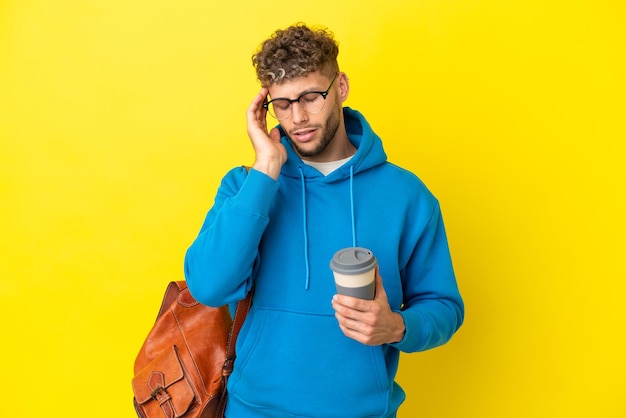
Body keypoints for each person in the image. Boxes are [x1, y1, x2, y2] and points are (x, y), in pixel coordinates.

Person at [184, 23, 464, 417]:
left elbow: (444, 306)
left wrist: (397, 327)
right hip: (252, 410)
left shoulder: (406, 195)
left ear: (341, 87)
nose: (297, 117)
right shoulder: (246, 186)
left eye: (311, 97)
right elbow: (210, 287)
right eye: (281, 104)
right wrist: (266, 171)